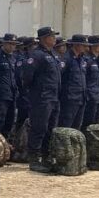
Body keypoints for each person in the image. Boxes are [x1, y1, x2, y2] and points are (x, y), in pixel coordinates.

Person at [21, 27, 62, 172]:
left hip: (53, 97)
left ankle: (46, 157)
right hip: (41, 98)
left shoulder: (53, 54)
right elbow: (27, 77)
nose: (55, 38)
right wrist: (37, 92)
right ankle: (34, 159)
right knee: (39, 128)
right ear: (44, 38)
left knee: (50, 129)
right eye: (52, 36)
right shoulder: (36, 55)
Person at [58, 35, 89, 129]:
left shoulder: (81, 59)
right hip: (69, 98)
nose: (86, 47)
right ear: (76, 45)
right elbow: (59, 77)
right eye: (83, 45)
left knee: (76, 127)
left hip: (81, 98)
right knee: (66, 126)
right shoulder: (66, 58)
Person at [83, 35, 99, 129]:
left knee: (96, 123)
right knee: (88, 123)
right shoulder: (87, 60)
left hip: (98, 96)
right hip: (90, 97)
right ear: (93, 46)